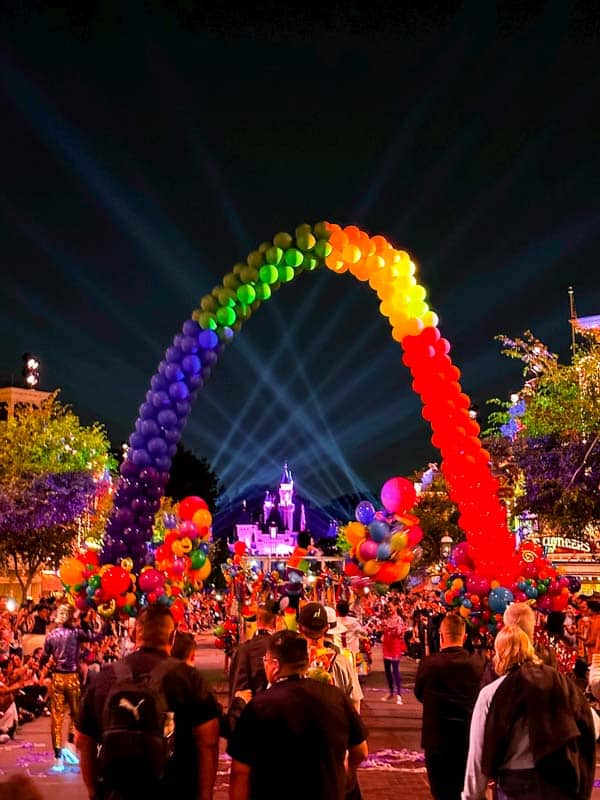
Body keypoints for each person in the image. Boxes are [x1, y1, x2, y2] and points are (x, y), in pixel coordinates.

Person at [76, 604, 221, 800]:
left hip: (116, 792)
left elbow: (83, 741)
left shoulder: (106, 677)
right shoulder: (188, 678)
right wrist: (205, 794)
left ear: (135, 634)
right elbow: (209, 740)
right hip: (173, 790)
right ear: (172, 638)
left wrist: (94, 791)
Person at [227, 630, 368, 800]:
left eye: (266, 660)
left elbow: (240, 772)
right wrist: (344, 773)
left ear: (275, 665)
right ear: (307, 662)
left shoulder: (259, 706)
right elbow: (360, 751)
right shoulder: (336, 697)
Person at [462, 624, 596, 800]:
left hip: (516, 783)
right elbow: (590, 724)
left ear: (500, 654)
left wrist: (471, 795)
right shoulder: (561, 683)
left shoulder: (492, 692)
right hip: (560, 780)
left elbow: (478, 750)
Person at [414, 614, 483, 800]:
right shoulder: (477, 664)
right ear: (465, 637)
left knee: (441, 793)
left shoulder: (429, 664)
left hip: (437, 741)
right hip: (467, 739)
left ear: (441, 636)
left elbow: (419, 693)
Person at [39, 604, 101, 771]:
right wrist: (90, 621)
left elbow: (44, 657)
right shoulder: (76, 633)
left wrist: (42, 668)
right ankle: (70, 743)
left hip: (57, 678)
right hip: (73, 678)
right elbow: (95, 636)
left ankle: (58, 757)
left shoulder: (51, 635)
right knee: (76, 714)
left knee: (56, 719)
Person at [298, 602, 363, 712]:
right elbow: (355, 700)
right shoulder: (342, 661)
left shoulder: (289, 659)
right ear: (327, 628)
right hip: (335, 725)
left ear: (299, 628)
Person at [228, 605, 277, 702]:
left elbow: (236, 688)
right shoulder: (278, 647)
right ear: (273, 621)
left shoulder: (243, 649)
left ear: (257, 621)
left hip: (248, 709)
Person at [381, 601, 406, 703]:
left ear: (396, 607)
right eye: (388, 607)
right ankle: (391, 691)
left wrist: (395, 630)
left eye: (391, 607)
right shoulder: (387, 618)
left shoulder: (399, 619)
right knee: (387, 670)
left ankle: (399, 694)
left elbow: (400, 633)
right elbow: (383, 630)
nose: (390, 609)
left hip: (395, 646)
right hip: (386, 645)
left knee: (395, 670)